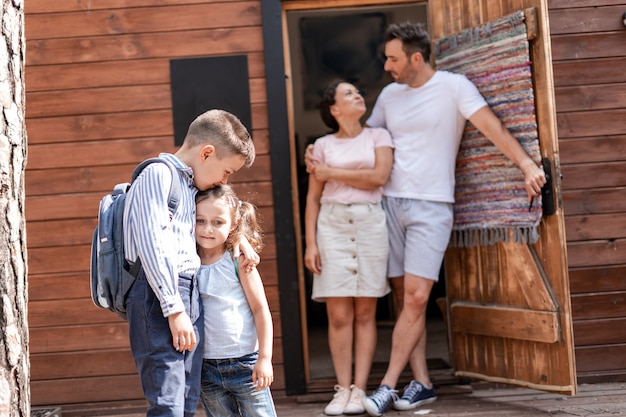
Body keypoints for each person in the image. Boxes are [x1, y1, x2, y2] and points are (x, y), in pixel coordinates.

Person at [306, 22, 547, 416]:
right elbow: (363, 137)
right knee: (405, 300)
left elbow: (491, 127)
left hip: (432, 205)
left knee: (417, 297)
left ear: (416, 59)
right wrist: (317, 157)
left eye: (393, 58)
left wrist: (525, 164)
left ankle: (385, 387)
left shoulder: (454, 87)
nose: (386, 66)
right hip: (388, 205)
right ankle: (422, 383)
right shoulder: (388, 96)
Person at [123, 109, 258, 417]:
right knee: (168, 400)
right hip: (161, 297)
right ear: (207, 153)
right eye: (227, 172)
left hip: (187, 294)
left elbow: (223, 209)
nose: (225, 180)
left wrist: (240, 239)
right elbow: (152, 246)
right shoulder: (157, 176)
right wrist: (174, 310)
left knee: (185, 399)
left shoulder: (190, 185)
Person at [304, 80, 394, 416]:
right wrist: (311, 243)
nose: (358, 95)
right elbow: (313, 198)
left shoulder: (378, 136)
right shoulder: (321, 146)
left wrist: (331, 172)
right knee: (339, 315)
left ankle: (360, 390)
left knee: (366, 313)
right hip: (333, 226)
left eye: (358, 91)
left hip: (370, 223)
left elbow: (379, 177)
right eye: (348, 94)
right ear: (334, 109)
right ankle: (342, 390)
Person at [195, 184, 277, 417]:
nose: (207, 229)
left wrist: (265, 358)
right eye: (200, 220)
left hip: (246, 365)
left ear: (233, 225)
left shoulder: (238, 260)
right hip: (206, 367)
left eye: (217, 222)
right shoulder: (187, 259)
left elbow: (261, 310)